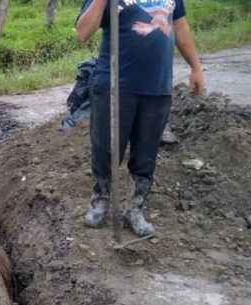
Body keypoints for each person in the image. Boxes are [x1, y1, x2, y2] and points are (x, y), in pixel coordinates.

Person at [76, 0, 205, 237]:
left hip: (157, 86)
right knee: (106, 147)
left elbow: (180, 25)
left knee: (146, 153)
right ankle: (101, 200)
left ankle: (135, 208)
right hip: (115, 87)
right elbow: (82, 32)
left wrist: (196, 67)